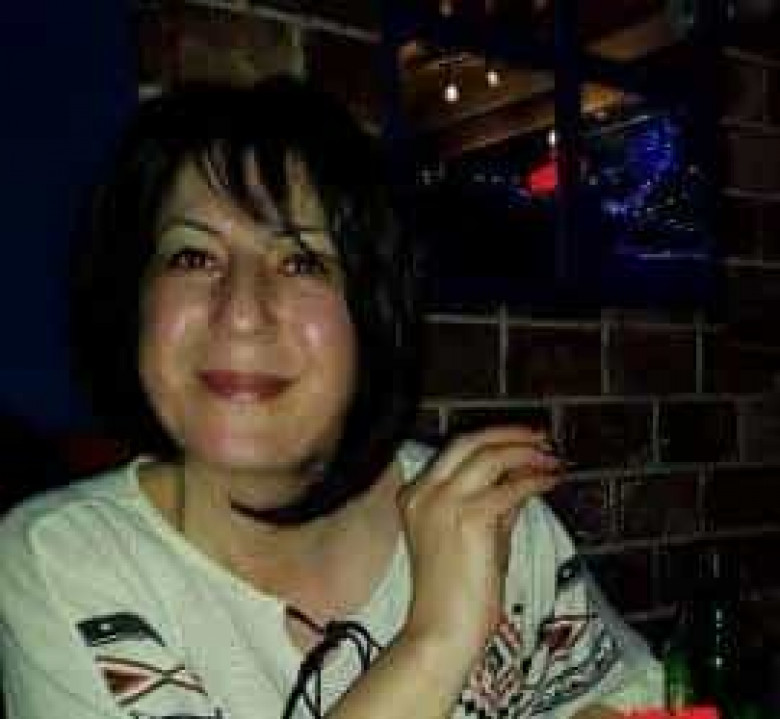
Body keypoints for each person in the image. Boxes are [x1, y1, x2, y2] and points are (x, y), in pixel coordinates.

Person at [0, 76, 663, 719]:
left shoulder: (485, 517)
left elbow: (628, 699)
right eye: (193, 257)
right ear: (134, 303)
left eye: (301, 261)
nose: (241, 311)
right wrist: (436, 640)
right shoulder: (62, 561)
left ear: (371, 314)